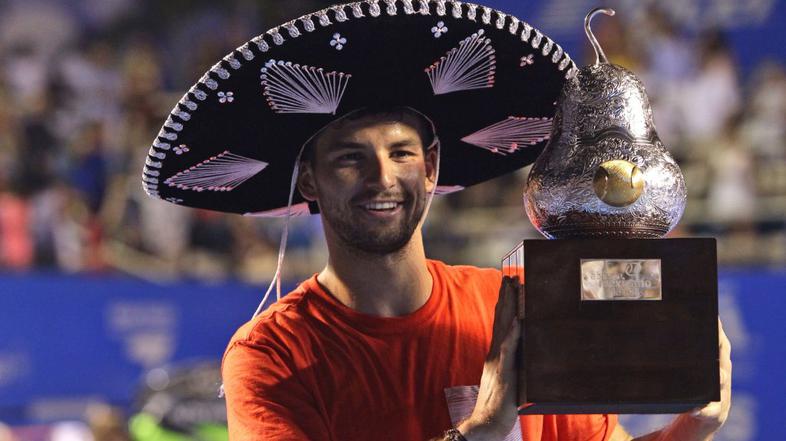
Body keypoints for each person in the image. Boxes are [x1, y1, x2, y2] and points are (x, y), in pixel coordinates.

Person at [142, 3, 731, 440]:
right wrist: (478, 430)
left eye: (401, 153)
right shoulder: (271, 354)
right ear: (308, 181)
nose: (382, 177)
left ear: (430, 169)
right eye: (350, 158)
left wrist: (689, 428)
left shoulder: (516, 308)